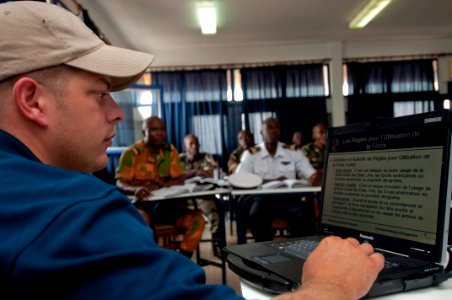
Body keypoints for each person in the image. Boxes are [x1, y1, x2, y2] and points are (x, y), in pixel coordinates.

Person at [0, 2, 384, 299]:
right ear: (32, 101)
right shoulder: (70, 214)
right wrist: (332, 284)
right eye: (99, 93)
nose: (116, 113)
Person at [115, 117, 206, 258]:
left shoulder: (170, 151)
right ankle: (149, 261)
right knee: (141, 220)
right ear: (143, 131)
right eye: (154, 129)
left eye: (162, 129)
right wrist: (136, 189)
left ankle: (182, 259)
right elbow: (120, 183)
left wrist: (161, 185)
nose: (159, 133)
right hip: (143, 206)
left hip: (169, 207)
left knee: (198, 219)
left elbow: (179, 178)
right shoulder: (132, 153)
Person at [236, 117, 321, 241]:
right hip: (262, 200)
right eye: (270, 128)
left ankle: (296, 250)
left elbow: (310, 174)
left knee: (305, 214)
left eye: (277, 128)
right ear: (261, 132)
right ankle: (265, 252)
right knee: (255, 215)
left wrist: (315, 178)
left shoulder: (292, 152)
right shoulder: (251, 154)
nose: (274, 131)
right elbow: (240, 178)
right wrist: (274, 181)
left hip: (288, 199)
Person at [179, 133, 223, 257]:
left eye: (197, 143)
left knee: (215, 213)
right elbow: (175, 175)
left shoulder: (205, 156)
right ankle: (185, 251)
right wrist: (194, 172)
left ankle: (218, 246)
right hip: (183, 198)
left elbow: (212, 170)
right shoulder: (179, 159)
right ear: (185, 147)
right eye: (191, 144)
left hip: (202, 195)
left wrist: (205, 173)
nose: (195, 147)